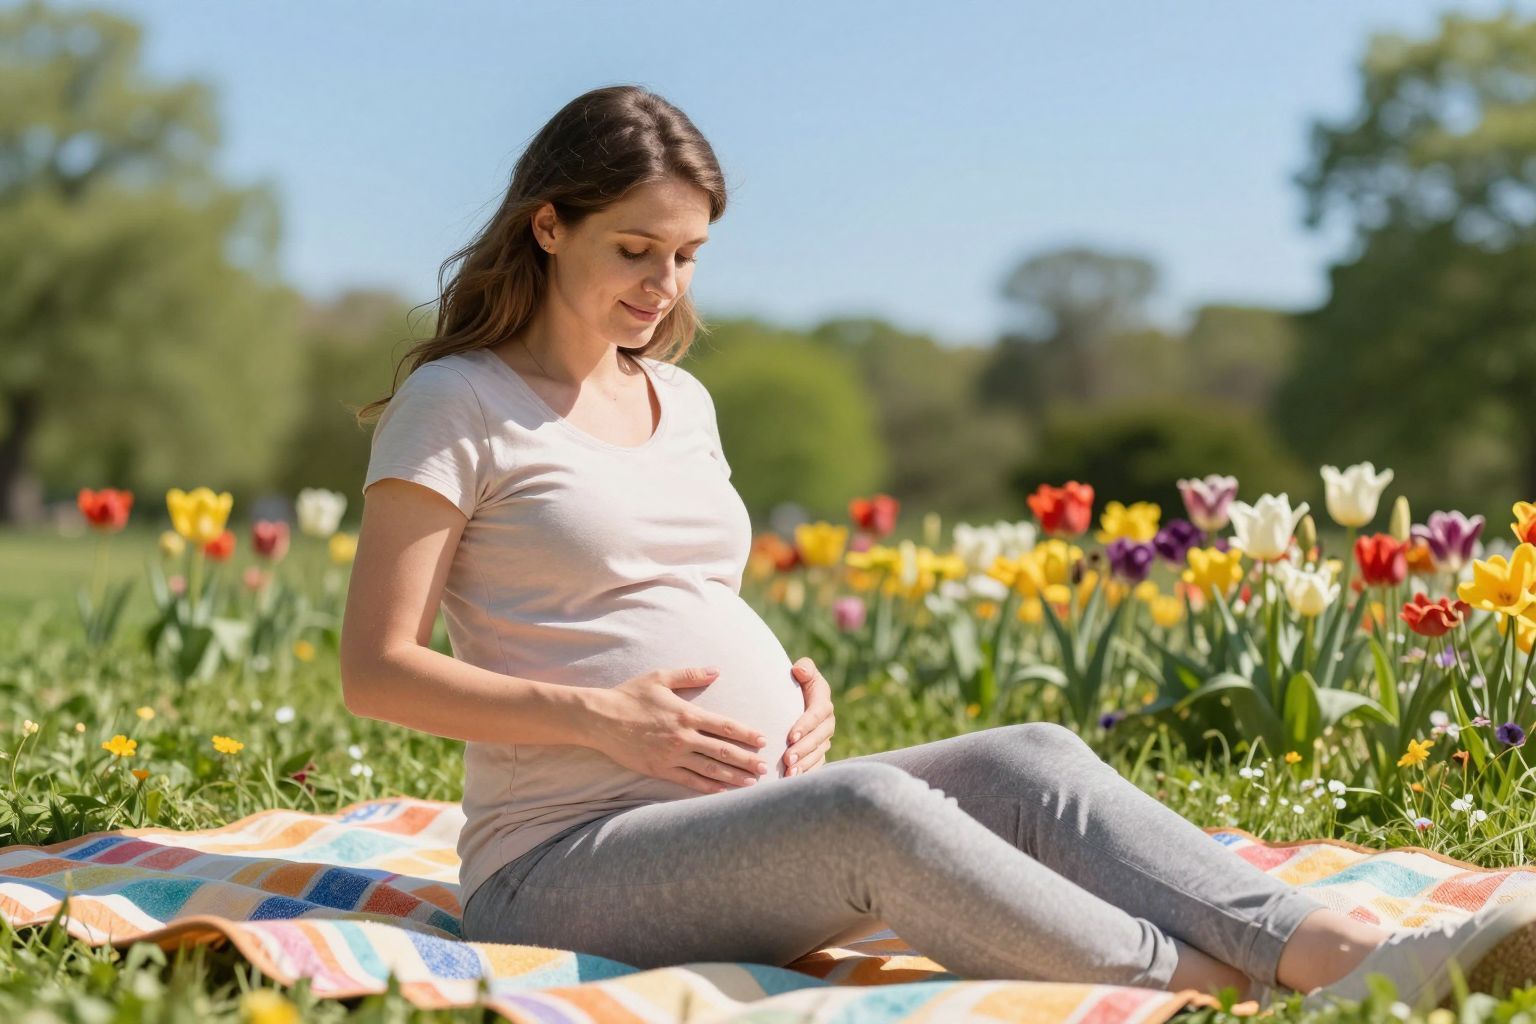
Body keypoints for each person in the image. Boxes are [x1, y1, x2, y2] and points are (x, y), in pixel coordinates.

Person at [339, 84, 1536, 1011]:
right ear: (549, 225)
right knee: (872, 812)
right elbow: (376, 668)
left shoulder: (678, 400)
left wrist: (793, 685)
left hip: (742, 803)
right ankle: (1203, 990)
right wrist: (605, 722)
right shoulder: (459, 403)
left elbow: (680, 594)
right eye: (634, 249)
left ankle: (1342, 950)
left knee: (1032, 754)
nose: (664, 283)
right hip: (560, 862)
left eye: (688, 254)